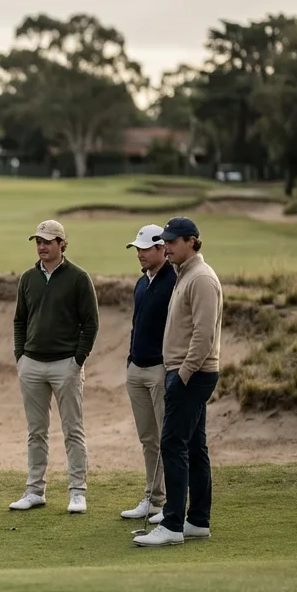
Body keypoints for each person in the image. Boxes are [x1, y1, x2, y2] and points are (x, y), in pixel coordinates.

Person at [134, 217, 223, 547]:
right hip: (186, 372)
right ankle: (197, 520)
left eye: (172, 241)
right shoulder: (185, 275)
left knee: (173, 444)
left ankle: (172, 524)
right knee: (195, 448)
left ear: (192, 241)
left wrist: (182, 376)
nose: (166, 246)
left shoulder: (201, 278)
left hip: (193, 374)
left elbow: (203, 335)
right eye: (165, 241)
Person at [10, 219, 100, 514]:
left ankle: (77, 492)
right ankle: (35, 490)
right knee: (36, 432)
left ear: (62, 244)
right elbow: (20, 320)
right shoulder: (27, 278)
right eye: (38, 241)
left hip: (66, 365)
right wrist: (20, 356)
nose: (42, 246)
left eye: (48, 241)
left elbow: (90, 323)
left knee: (73, 431)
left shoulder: (78, 277)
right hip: (32, 364)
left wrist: (78, 359)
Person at [120, 224, 176, 523]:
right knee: (148, 439)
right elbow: (136, 324)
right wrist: (130, 358)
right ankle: (153, 498)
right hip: (137, 368)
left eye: (145, 249)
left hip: (160, 369)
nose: (140, 254)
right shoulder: (142, 282)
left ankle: (171, 503)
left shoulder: (174, 281)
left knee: (168, 439)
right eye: (137, 249)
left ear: (161, 249)